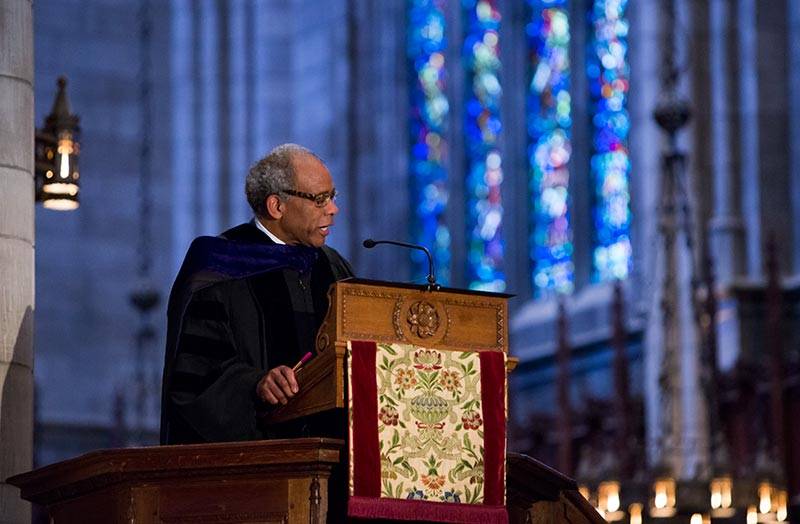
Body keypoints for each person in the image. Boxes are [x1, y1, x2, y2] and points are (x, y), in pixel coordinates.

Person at [160, 144, 353, 444]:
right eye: (319, 199)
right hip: (259, 462)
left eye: (332, 196)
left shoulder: (334, 268)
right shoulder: (219, 266)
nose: (333, 209)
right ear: (277, 206)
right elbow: (194, 377)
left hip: (332, 456)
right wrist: (256, 384)